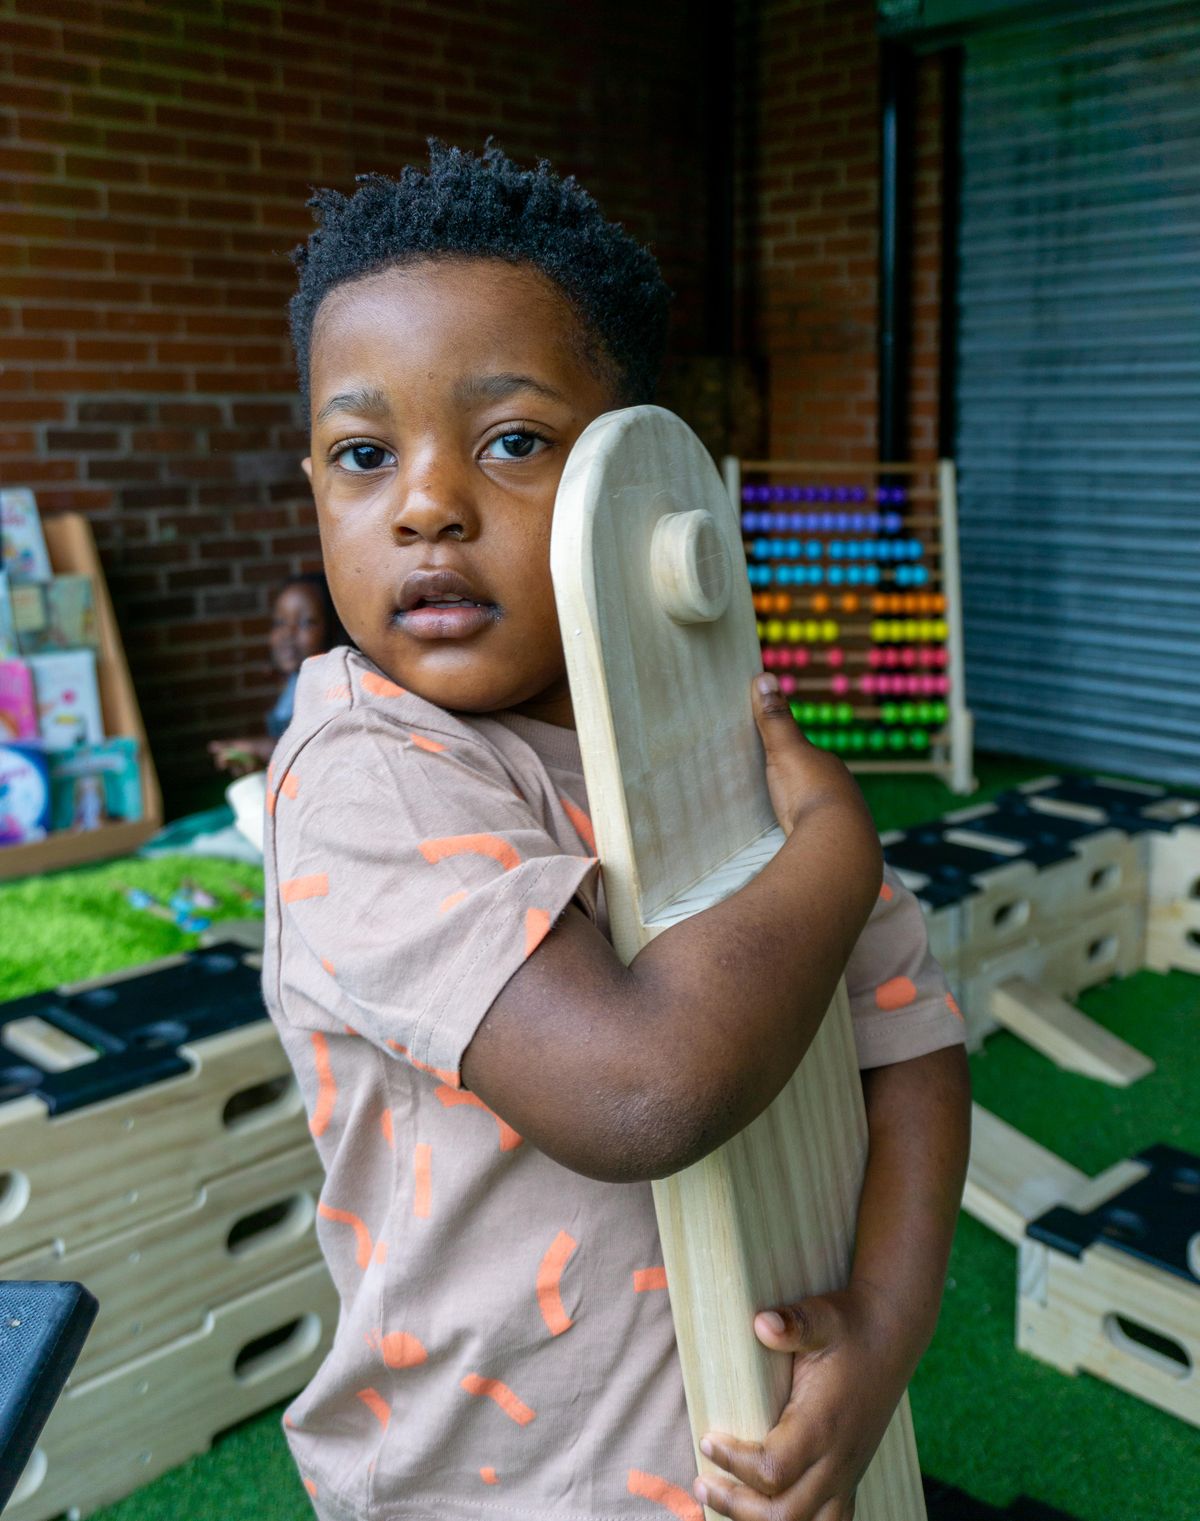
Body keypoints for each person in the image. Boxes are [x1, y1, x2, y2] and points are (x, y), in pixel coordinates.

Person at [263, 143, 971, 1521]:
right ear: (317, 489)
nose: (424, 502)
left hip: (754, 1451)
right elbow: (640, 1089)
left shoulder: (717, 741)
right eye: (363, 453)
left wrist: (883, 1334)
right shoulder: (368, 776)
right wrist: (836, 844)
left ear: (640, 483)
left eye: (512, 441)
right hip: (492, 1486)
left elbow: (912, 1044)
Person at [208, 573, 342, 776]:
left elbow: (326, 750)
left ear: (335, 626)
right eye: (279, 623)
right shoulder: (294, 681)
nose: (287, 634)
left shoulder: (336, 688)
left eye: (306, 623)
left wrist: (265, 749)